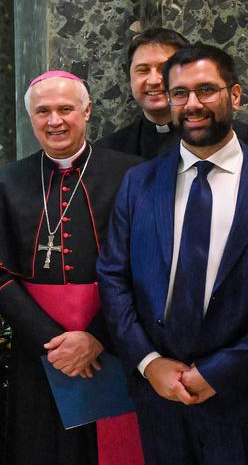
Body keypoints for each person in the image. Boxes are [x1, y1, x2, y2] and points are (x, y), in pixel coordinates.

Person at [0, 71, 143, 464]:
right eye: (43, 111)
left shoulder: (131, 175)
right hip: (38, 351)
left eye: (65, 109)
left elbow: (146, 266)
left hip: (116, 340)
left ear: (87, 111)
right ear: (31, 118)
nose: (54, 120)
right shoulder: (4, 183)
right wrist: (52, 342)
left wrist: (98, 336)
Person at [98, 43, 248, 463]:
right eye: (180, 93)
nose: (192, 104)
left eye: (207, 90)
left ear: (234, 95)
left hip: (240, 392)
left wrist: (220, 370)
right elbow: (113, 276)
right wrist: (149, 362)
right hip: (159, 395)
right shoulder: (139, 183)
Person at [98, 28, 246, 159]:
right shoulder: (106, 152)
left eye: (164, 69)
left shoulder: (242, 138)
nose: (154, 80)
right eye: (143, 70)